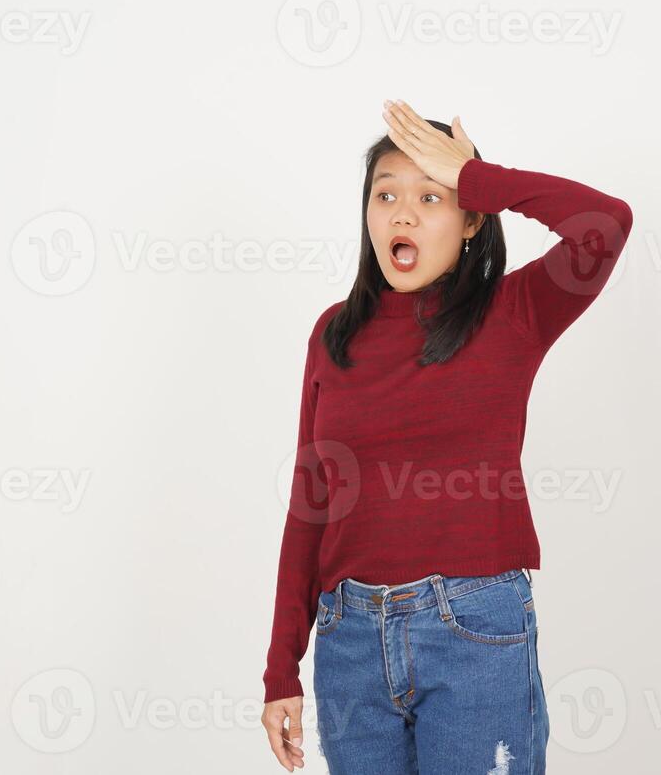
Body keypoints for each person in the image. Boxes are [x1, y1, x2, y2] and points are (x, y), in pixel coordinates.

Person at [261, 99, 633, 774]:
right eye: (386, 195)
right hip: (348, 644)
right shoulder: (332, 335)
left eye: (431, 196)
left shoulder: (514, 312)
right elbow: (309, 502)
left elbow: (605, 225)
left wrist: (479, 177)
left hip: (473, 634)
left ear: (469, 221)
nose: (401, 213)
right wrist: (280, 668)